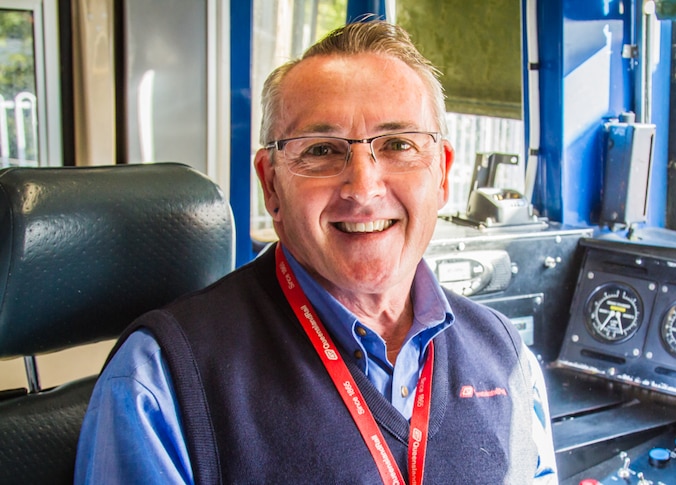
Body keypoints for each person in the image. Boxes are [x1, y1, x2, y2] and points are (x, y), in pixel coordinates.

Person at [75, 20, 557, 484]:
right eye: (322, 150)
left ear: (443, 173)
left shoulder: (509, 359)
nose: (363, 187)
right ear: (271, 184)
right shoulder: (161, 384)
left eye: (397, 144)